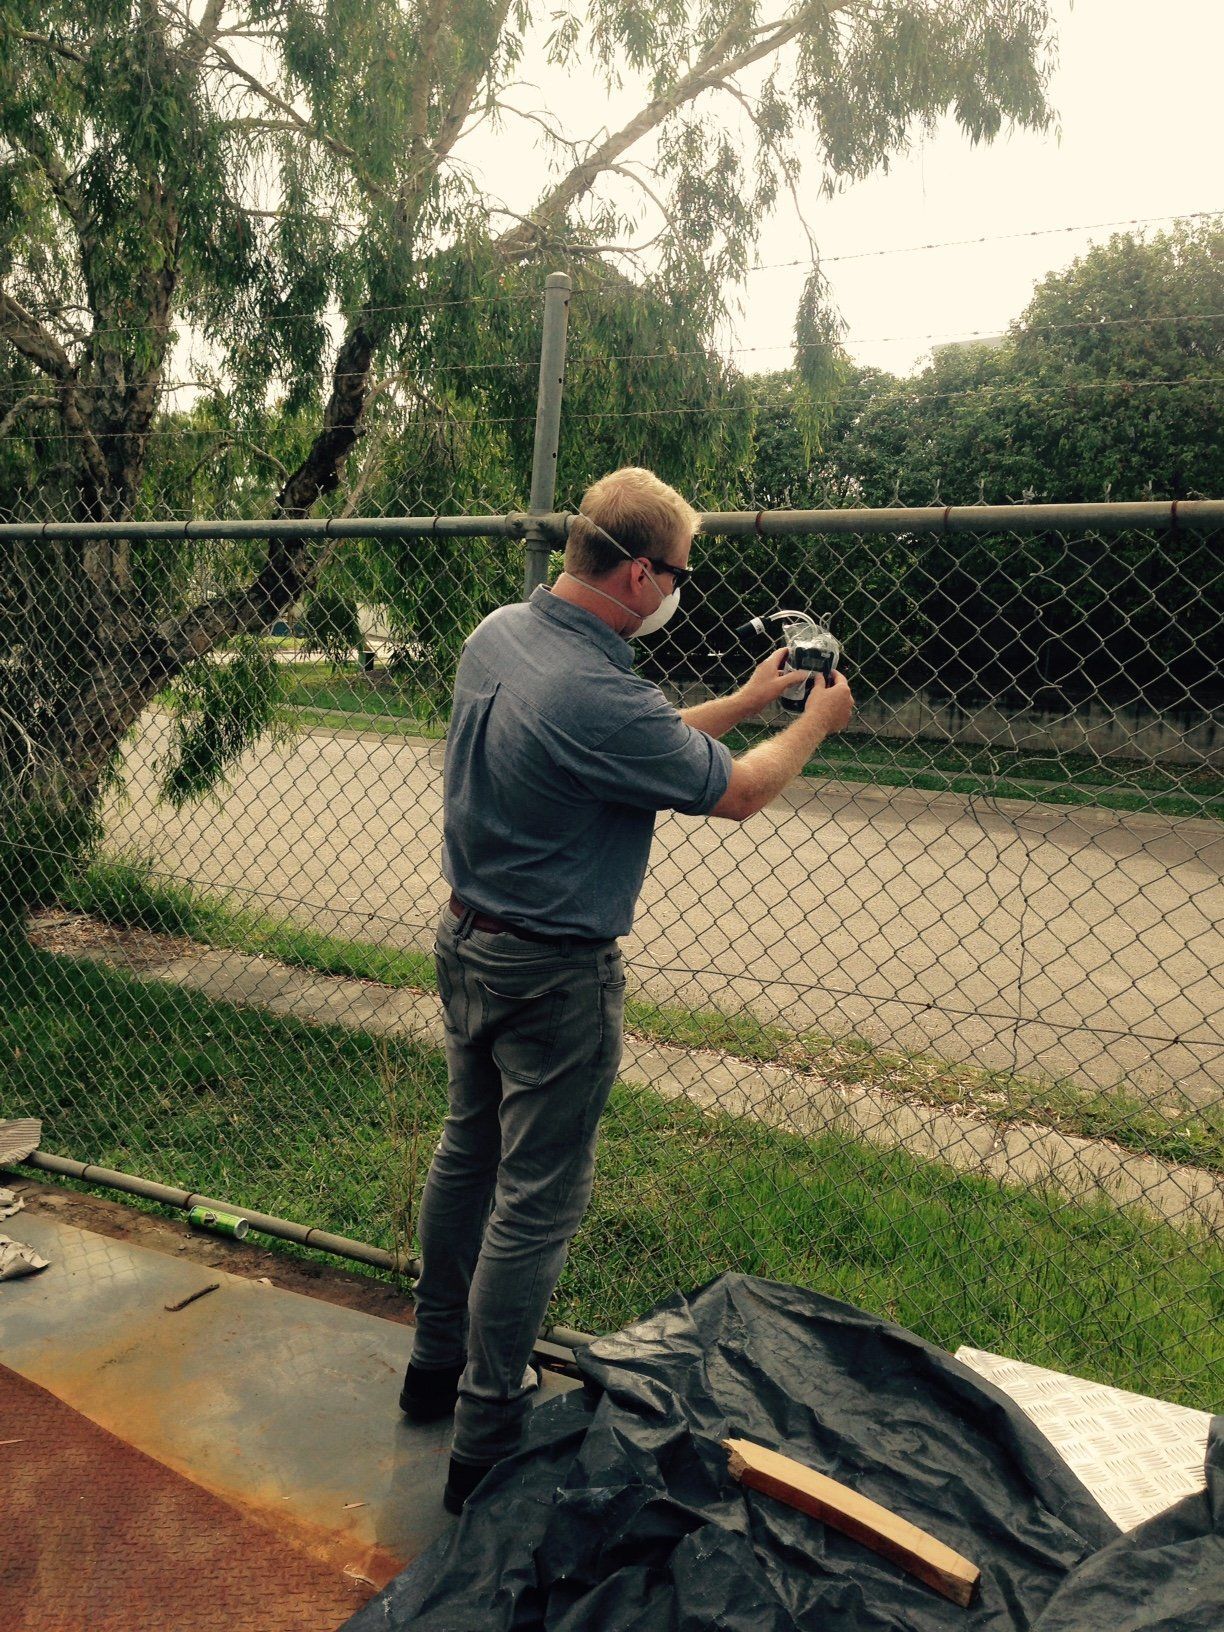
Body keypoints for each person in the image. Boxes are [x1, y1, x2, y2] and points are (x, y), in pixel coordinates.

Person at [400, 466, 854, 1513]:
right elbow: (737, 793)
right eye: (679, 575)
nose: (679, 591)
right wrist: (811, 724)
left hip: (468, 943)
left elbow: (618, 746)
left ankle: (433, 1367)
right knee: (535, 1201)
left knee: (468, 1150)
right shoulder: (600, 692)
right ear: (642, 573)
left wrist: (745, 700)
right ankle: (486, 1430)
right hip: (553, 976)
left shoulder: (501, 638)